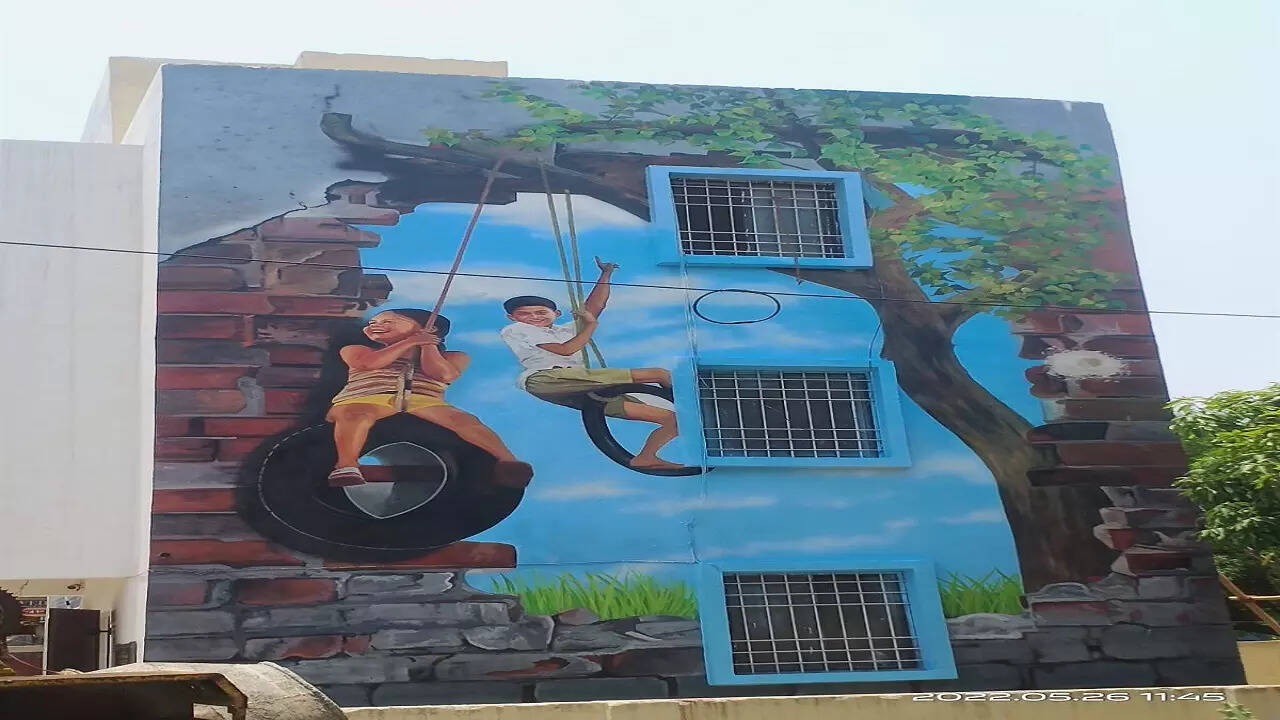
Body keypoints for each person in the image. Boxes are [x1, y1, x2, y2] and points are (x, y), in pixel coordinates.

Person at [499, 257, 684, 470]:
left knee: (672, 419)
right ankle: (689, 400)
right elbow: (566, 349)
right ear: (512, 317)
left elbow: (595, 307)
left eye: (540, 312)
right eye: (524, 314)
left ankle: (645, 457)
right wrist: (591, 325)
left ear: (556, 314)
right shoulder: (517, 330)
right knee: (659, 374)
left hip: (579, 386)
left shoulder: (564, 330)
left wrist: (605, 274)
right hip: (547, 379)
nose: (533, 317)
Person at [326, 309, 531, 488]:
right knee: (355, 415)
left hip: (425, 400)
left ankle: (507, 461)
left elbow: (443, 375)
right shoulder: (356, 349)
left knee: (464, 421)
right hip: (365, 397)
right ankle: (346, 464)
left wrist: (427, 345)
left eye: (388, 321)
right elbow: (368, 363)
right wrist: (410, 341)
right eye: (372, 322)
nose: (375, 326)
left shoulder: (455, 357)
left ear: (428, 328)